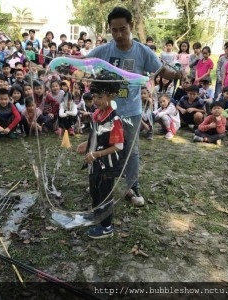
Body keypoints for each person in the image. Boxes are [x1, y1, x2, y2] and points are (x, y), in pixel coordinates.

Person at [85, 6, 183, 206]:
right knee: (102, 146)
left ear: (130, 26)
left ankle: (132, 186)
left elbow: (162, 70)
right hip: (106, 113)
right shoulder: (104, 50)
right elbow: (83, 60)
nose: (119, 34)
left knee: (130, 150)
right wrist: (53, 62)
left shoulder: (142, 52)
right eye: (114, 30)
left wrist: (177, 75)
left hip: (131, 111)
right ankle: (101, 181)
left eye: (123, 29)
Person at [76, 74, 124, 239]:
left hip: (107, 166)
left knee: (105, 194)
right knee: (95, 190)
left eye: (100, 97)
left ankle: (107, 226)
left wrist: (96, 153)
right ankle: (97, 214)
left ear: (112, 96)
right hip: (94, 164)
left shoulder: (114, 119)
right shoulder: (98, 114)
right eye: (94, 96)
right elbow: (96, 134)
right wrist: (87, 144)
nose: (95, 100)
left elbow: (118, 146)